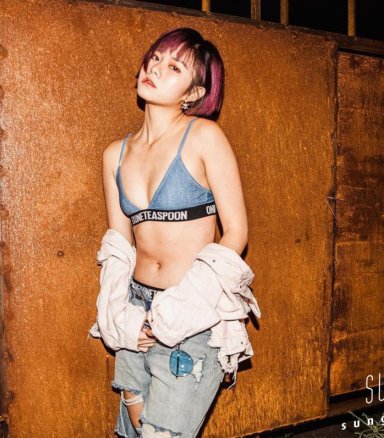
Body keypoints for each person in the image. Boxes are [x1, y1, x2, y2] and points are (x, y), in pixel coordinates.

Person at [101, 27, 249, 437]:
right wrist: (119, 316)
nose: (155, 69)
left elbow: (236, 233)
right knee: (133, 429)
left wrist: (183, 308)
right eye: (155, 58)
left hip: (191, 312)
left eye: (174, 67)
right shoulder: (115, 154)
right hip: (137, 312)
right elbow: (118, 245)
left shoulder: (204, 137)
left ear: (194, 92)